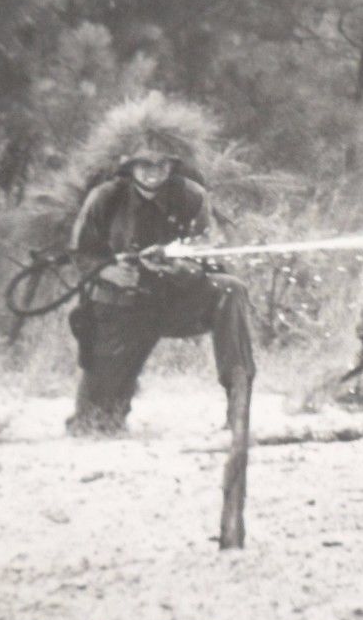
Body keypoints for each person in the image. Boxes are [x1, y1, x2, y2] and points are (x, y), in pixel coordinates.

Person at [65, 111, 255, 437]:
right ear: (130, 168)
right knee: (94, 424)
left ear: (172, 167)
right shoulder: (106, 199)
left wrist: (180, 268)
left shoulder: (191, 197)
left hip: (175, 300)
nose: (153, 174)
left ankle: (238, 408)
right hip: (121, 307)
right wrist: (110, 271)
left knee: (229, 289)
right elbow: (81, 253)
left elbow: (207, 254)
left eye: (161, 166)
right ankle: (105, 407)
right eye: (145, 166)